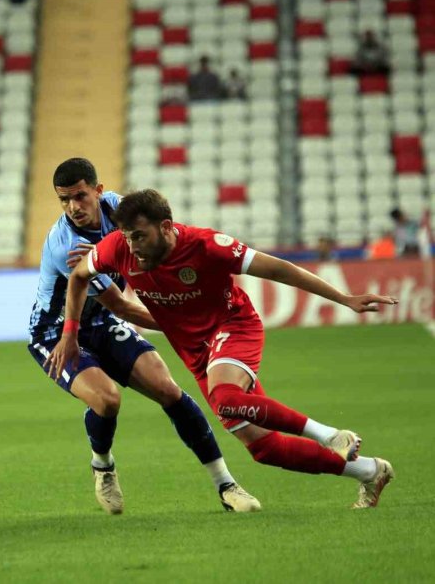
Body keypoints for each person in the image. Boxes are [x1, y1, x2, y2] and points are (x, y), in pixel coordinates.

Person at [50, 189, 396, 509]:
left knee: (225, 398)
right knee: (266, 449)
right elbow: (79, 276)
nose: (133, 246)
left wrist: (344, 298)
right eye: (126, 236)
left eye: (139, 235)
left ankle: (331, 435)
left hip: (234, 326)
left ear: (166, 227)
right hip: (197, 353)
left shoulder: (206, 245)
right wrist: (70, 333)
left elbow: (278, 268)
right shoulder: (119, 249)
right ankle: (370, 472)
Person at [29, 158, 260, 515]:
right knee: (107, 400)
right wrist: (188, 322)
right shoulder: (66, 246)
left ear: (98, 191)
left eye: (80, 196)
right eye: (64, 200)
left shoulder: (120, 211)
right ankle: (102, 465)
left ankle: (226, 484)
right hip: (56, 332)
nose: (74, 207)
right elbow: (123, 307)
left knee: (169, 390)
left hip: (101, 321)